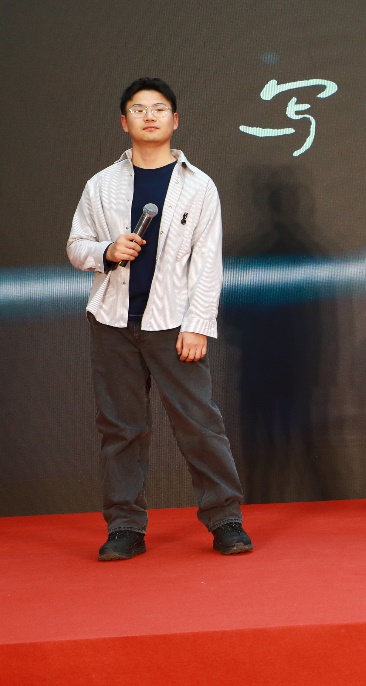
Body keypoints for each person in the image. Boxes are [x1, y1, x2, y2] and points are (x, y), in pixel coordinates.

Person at [67, 77, 252, 560]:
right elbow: (76, 246)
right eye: (138, 109)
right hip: (111, 320)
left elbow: (207, 263)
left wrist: (198, 324)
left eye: (159, 108)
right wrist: (106, 251)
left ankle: (225, 519)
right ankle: (125, 527)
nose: (149, 116)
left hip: (173, 322)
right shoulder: (101, 184)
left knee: (199, 423)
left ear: (175, 119)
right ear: (123, 121)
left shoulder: (198, 185)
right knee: (120, 428)